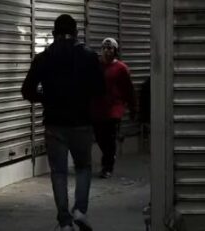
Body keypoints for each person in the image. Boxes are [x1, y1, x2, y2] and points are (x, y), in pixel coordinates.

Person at [22, 14, 105, 231]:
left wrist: (45, 98)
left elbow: (27, 90)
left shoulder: (43, 57)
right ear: (77, 32)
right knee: (83, 167)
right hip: (81, 122)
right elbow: (100, 89)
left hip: (54, 122)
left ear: (53, 33)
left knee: (58, 172)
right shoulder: (88, 56)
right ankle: (80, 211)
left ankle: (64, 221)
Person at [92, 38, 137, 179]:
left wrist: (133, 107)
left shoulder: (121, 68)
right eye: (104, 48)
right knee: (100, 137)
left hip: (114, 109)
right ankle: (109, 156)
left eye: (110, 48)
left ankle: (107, 166)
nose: (107, 51)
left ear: (115, 51)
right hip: (98, 108)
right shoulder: (96, 66)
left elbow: (128, 90)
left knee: (109, 138)